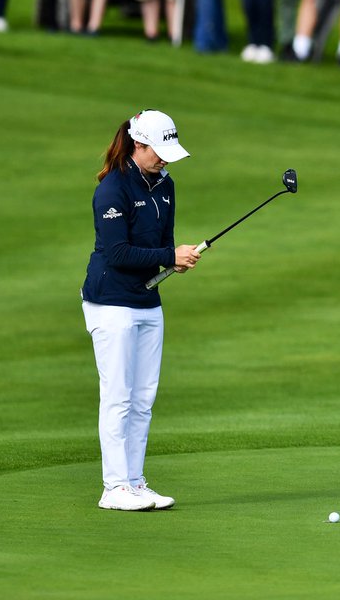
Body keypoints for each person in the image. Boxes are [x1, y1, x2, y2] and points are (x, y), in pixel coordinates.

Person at [82, 109, 200, 512]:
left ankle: (134, 481)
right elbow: (117, 253)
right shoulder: (112, 189)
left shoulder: (165, 187)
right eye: (159, 151)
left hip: (148, 302)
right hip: (111, 302)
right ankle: (113, 487)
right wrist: (170, 255)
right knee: (117, 395)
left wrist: (173, 261)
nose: (165, 158)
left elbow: (159, 245)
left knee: (143, 398)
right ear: (139, 144)